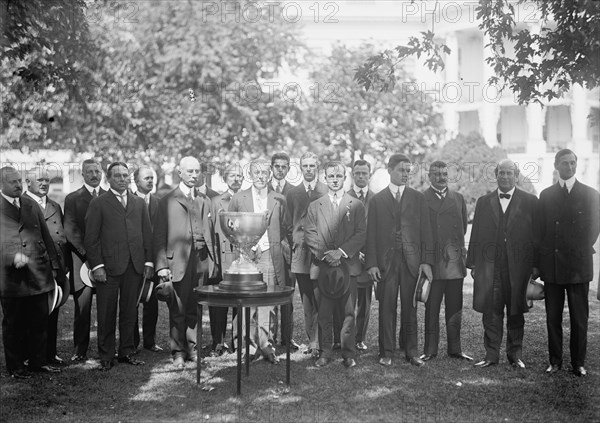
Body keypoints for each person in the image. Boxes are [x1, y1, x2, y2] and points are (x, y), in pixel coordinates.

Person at [466, 159, 538, 369]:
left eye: (509, 173)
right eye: (502, 173)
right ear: (496, 175)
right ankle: (491, 355)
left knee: (516, 311)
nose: (505, 177)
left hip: (519, 268)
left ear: (516, 176)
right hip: (491, 267)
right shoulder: (483, 201)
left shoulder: (530, 201)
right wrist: (473, 264)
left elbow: (537, 236)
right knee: (491, 311)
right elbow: (476, 234)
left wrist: (535, 266)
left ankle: (515, 356)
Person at [366, 153, 434, 367]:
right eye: (401, 170)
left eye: (408, 171)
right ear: (389, 170)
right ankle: (386, 352)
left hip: (411, 262)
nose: (405, 174)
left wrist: (426, 262)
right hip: (386, 264)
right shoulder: (377, 200)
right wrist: (373, 263)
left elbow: (426, 232)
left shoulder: (418, 198)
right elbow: (371, 235)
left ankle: (411, 351)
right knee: (387, 308)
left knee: (410, 308)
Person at [84, 162, 154, 371]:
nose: (123, 179)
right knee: (106, 312)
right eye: (118, 176)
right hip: (109, 267)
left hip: (134, 265)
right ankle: (106, 354)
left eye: (125, 176)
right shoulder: (99, 203)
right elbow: (91, 238)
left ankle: (126, 351)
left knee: (129, 311)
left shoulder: (138, 203)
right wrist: (97, 266)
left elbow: (147, 234)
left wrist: (148, 261)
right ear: (109, 178)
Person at [536, 149, 599, 377]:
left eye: (573, 163)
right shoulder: (546, 195)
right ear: (556, 165)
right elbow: (541, 231)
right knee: (553, 317)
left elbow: (593, 230)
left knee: (579, 318)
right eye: (564, 163)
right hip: (552, 265)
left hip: (578, 265)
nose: (569, 167)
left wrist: (577, 250)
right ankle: (555, 361)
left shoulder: (591, 194)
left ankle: (578, 362)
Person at [154, 157, 218, 369]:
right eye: (189, 171)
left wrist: (212, 261)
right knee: (178, 308)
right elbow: (159, 236)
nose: (194, 175)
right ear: (180, 173)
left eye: (197, 171)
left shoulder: (204, 200)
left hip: (200, 262)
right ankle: (178, 352)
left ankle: (193, 349)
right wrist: (162, 265)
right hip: (177, 262)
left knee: (195, 307)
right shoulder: (167, 200)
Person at [1, 166, 65, 378]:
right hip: (12, 277)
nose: (18, 185)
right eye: (13, 182)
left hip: (38, 272)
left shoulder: (30, 204)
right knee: (14, 323)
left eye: (19, 181)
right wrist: (11, 257)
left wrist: (55, 268)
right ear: (2, 184)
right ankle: (16, 366)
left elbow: (46, 238)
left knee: (40, 321)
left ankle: (38, 362)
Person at [305, 161, 366, 368]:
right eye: (330, 176)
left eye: (338, 176)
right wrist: (326, 254)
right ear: (324, 178)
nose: (334, 179)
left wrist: (340, 253)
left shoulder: (356, 204)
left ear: (344, 178)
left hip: (348, 266)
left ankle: (349, 353)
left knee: (349, 312)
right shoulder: (315, 205)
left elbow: (361, 234)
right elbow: (310, 234)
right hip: (322, 267)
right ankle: (325, 352)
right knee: (324, 312)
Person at [228, 159, 290, 363]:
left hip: (270, 255)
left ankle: (266, 345)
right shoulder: (239, 198)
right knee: (247, 303)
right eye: (257, 172)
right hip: (246, 255)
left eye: (265, 172)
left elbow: (285, 226)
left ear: (270, 174)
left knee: (268, 303)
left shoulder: (279, 199)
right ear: (251, 174)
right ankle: (246, 347)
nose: (261, 176)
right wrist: (246, 248)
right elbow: (231, 228)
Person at [420, 161, 472, 362]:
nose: (441, 177)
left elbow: (463, 228)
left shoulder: (458, 198)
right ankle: (430, 350)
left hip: (454, 263)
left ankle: (455, 349)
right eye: (436, 174)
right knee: (431, 307)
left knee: (455, 307)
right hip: (433, 263)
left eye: (444, 173)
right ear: (429, 176)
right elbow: (419, 232)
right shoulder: (421, 199)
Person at [24, 166, 71, 365]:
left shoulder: (54, 206)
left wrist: (64, 266)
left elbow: (61, 238)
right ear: (28, 182)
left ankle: (50, 353)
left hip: (56, 267)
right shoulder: (21, 205)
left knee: (53, 310)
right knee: (31, 315)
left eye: (46, 180)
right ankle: (30, 356)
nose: (44, 184)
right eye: (39, 180)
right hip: (32, 269)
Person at [285, 152, 328, 356]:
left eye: (312, 165)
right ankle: (312, 341)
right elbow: (287, 224)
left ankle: (321, 340)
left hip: (320, 253)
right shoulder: (293, 193)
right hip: (301, 253)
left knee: (322, 296)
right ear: (300, 168)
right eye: (305, 166)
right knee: (307, 299)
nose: (309, 169)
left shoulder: (326, 190)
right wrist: (296, 242)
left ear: (317, 167)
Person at [64, 158, 106, 362]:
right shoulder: (73, 198)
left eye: (97, 171)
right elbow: (71, 230)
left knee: (107, 307)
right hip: (82, 261)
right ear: (82, 174)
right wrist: (90, 256)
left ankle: (106, 347)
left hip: (106, 261)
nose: (94, 175)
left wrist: (101, 258)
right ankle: (79, 349)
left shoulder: (108, 197)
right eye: (89, 171)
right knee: (83, 307)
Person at [209, 162, 244, 354]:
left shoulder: (247, 199)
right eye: (232, 176)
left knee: (240, 302)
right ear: (225, 178)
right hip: (221, 259)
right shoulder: (215, 201)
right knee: (219, 304)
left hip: (242, 257)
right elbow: (212, 232)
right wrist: (214, 261)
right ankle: (218, 342)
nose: (236, 179)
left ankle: (238, 342)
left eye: (239, 176)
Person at [270, 152, 300, 350]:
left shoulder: (295, 191)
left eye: (284, 166)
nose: (280, 170)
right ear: (272, 168)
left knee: (288, 292)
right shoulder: (264, 189)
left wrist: (292, 247)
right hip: (270, 247)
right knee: (270, 292)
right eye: (277, 166)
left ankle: (287, 337)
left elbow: (296, 222)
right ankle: (269, 338)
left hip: (290, 249)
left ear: (288, 169)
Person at [132, 166, 163, 353]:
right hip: (134, 260)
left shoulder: (159, 203)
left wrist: (153, 261)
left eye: (152, 178)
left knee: (152, 302)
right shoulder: (128, 200)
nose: (150, 181)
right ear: (136, 181)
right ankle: (132, 342)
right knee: (133, 302)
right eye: (146, 178)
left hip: (154, 259)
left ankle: (150, 341)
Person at [346, 159, 374, 352]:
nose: (361, 176)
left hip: (369, 259)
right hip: (348, 258)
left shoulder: (377, 199)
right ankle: (344, 338)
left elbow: (379, 230)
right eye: (358, 173)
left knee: (365, 302)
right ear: (353, 175)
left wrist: (369, 255)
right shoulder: (343, 197)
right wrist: (354, 252)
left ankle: (359, 338)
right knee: (347, 301)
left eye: (365, 173)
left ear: (369, 175)